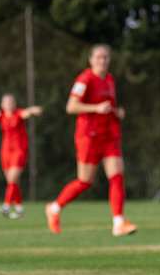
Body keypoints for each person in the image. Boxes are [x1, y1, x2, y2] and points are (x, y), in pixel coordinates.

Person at [45, 44, 137, 237]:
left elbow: (108, 106)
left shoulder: (110, 79)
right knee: (85, 181)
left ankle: (118, 223)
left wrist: (116, 112)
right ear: (90, 60)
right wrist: (95, 109)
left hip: (109, 135)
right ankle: (54, 208)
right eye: (98, 57)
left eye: (105, 57)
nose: (102, 61)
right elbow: (71, 107)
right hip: (89, 136)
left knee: (117, 176)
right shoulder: (84, 79)